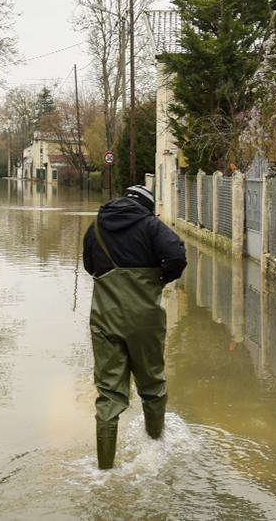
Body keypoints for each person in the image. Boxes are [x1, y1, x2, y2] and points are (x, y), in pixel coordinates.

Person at [82, 184, 186, 470]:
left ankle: (104, 470)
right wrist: (160, 279)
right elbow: (177, 256)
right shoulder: (151, 226)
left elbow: (89, 266)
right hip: (145, 319)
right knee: (152, 384)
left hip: (105, 318)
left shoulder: (96, 228)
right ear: (146, 206)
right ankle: (155, 451)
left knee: (109, 393)